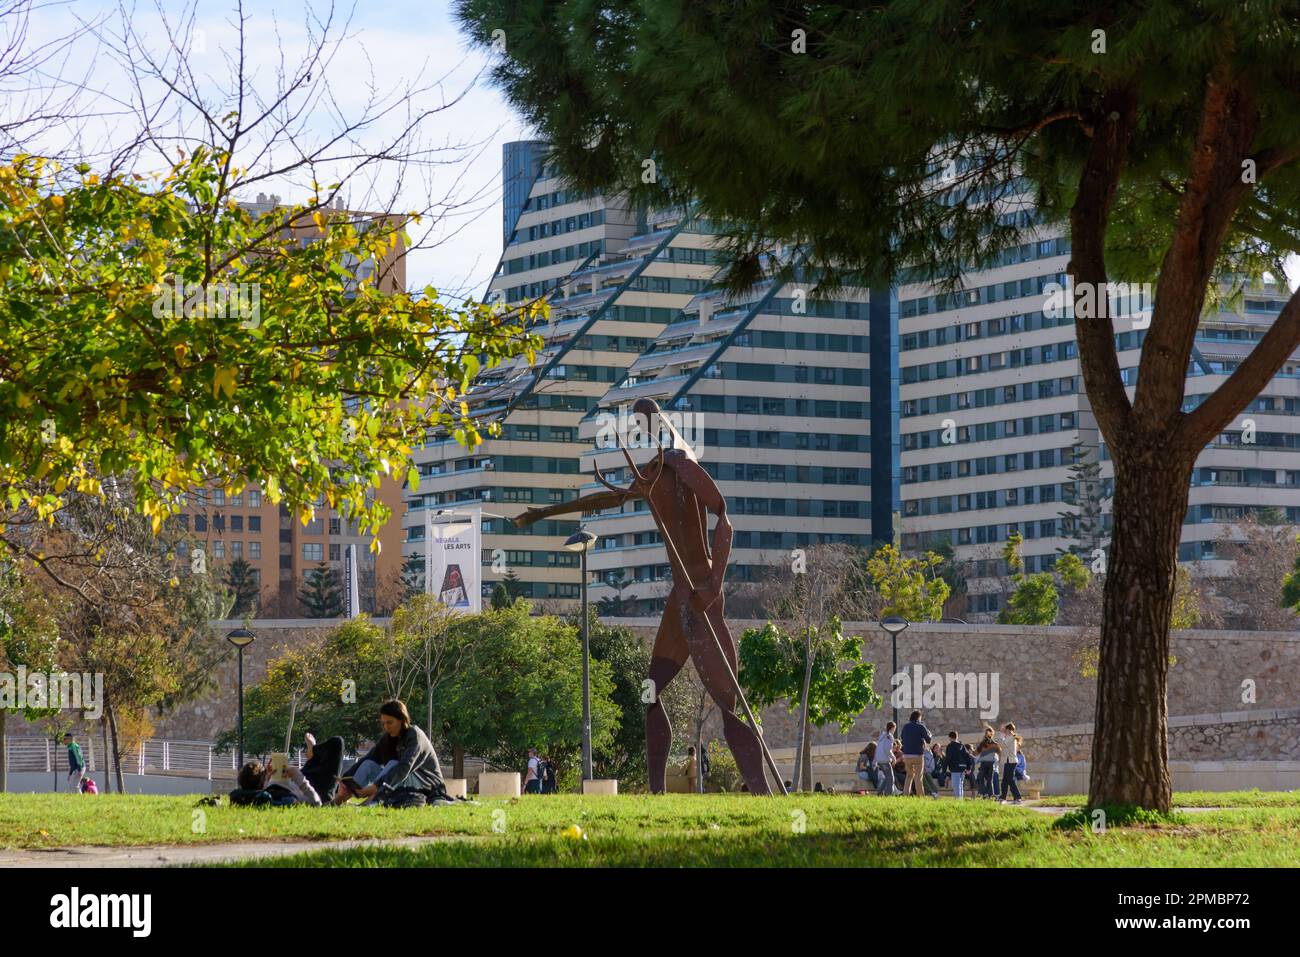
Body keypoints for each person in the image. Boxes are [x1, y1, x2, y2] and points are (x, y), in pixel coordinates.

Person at [338, 700, 448, 808]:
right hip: (400, 780)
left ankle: (374, 801)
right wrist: (345, 780)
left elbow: (404, 767)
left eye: (390, 722)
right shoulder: (388, 738)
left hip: (427, 785)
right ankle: (340, 799)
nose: (386, 727)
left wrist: (376, 787)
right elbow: (370, 757)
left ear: (401, 720)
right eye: (383, 723)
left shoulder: (415, 735)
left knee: (393, 764)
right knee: (368, 764)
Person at [229, 759, 322, 807]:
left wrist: (267, 778)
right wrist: (298, 776)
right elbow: (316, 803)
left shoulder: (237, 796)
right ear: (262, 781)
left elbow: (258, 791)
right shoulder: (279, 797)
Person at [300, 731, 345, 803]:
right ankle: (313, 752)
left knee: (337, 742)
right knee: (337, 741)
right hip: (321, 793)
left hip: (310, 785)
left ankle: (313, 753)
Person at [899, 710, 932, 797]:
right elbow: (928, 740)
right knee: (918, 776)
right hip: (917, 755)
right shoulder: (921, 726)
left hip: (906, 755)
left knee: (909, 776)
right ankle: (920, 795)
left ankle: (906, 794)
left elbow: (902, 737)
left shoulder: (905, 727)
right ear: (918, 717)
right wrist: (929, 735)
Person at [998, 722, 1023, 804]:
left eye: (1005, 730)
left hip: (1011, 761)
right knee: (1005, 780)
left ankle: (1018, 798)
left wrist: (1001, 735)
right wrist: (1002, 735)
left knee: (1010, 780)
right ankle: (1003, 798)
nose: (1004, 731)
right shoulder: (1008, 737)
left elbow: (1001, 744)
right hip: (1008, 761)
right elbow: (1000, 744)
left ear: (1009, 730)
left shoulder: (1011, 737)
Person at [974, 727, 1001, 798]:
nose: (987, 734)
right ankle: (984, 793)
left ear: (992, 734)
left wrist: (998, 761)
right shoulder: (982, 743)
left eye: (988, 733)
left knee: (989, 779)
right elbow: (976, 752)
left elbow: (999, 752)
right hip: (984, 763)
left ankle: (989, 794)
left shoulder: (995, 744)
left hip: (991, 763)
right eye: (986, 733)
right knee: (981, 778)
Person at [944, 731, 971, 799]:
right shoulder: (962, 746)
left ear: (950, 737)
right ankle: (960, 799)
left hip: (955, 768)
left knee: (956, 785)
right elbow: (967, 756)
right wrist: (968, 768)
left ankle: (958, 800)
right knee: (961, 785)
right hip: (963, 768)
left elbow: (948, 758)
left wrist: (944, 768)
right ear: (957, 737)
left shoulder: (950, 746)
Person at [874, 722, 897, 795]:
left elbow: (878, 748)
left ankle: (880, 793)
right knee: (891, 778)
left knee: (887, 777)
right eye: (894, 728)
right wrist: (893, 758)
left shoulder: (882, 736)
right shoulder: (889, 736)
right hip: (884, 760)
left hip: (879, 759)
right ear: (892, 728)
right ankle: (888, 794)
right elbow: (887, 749)